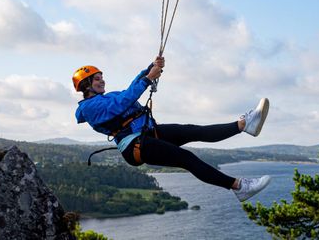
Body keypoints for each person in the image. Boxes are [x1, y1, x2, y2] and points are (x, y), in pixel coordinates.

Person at [73, 56, 271, 202]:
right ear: (86, 85)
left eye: (101, 77)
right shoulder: (89, 108)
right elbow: (123, 102)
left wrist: (149, 69)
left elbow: (128, 91)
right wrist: (148, 78)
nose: (102, 80)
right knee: (186, 158)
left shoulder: (108, 96)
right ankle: (239, 187)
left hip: (148, 133)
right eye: (97, 78)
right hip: (135, 145)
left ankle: (245, 125)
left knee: (194, 131)